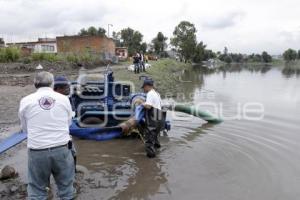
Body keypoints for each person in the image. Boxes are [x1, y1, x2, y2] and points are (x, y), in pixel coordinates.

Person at [18, 71, 75, 199]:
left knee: (37, 190)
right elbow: (68, 123)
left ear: (35, 84)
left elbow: (25, 128)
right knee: (66, 188)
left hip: (37, 151)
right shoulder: (64, 99)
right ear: (52, 83)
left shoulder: (25, 100)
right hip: (61, 149)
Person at [140, 78, 163, 158]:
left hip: (153, 117)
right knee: (155, 136)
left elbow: (149, 106)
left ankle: (151, 160)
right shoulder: (157, 93)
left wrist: (142, 103)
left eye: (144, 87)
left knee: (149, 138)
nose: (143, 89)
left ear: (147, 86)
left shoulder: (150, 93)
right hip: (159, 117)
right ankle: (158, 150)